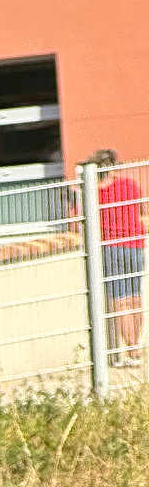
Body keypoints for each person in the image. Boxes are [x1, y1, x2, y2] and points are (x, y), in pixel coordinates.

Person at [91, 149, 144, 363]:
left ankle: (128, 351)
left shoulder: (95, 192)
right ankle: (136, 349)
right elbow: (141, 210)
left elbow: (79, 221)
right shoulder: (130, 185)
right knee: (135, 299)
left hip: (112, 248)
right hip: (136, 245)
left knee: (120, 301)